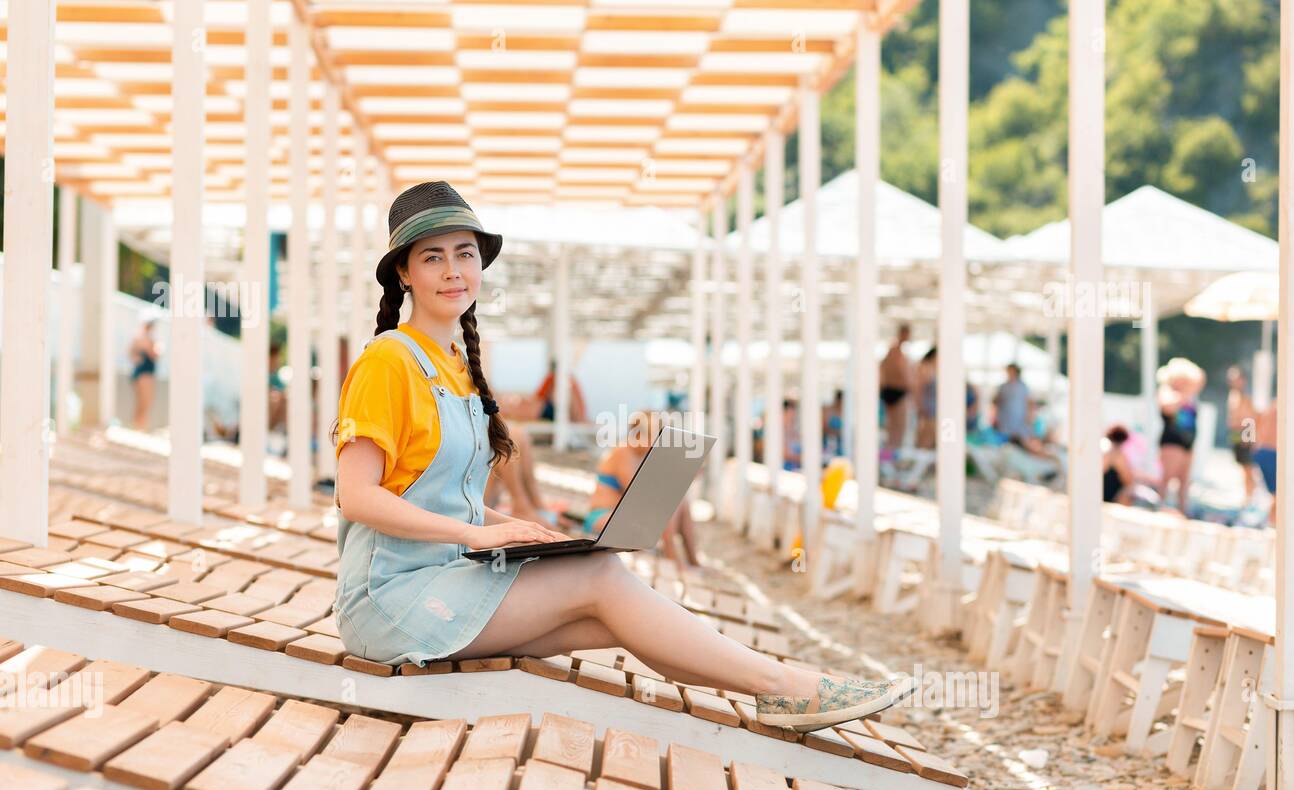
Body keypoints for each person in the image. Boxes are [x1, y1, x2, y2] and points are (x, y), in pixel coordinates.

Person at [331, 181, 913, 731]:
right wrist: (483, 539)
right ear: (404, 272)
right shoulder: (388, 361)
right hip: (390, 602)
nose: (454, 270)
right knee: (603, 578)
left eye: (465, 253)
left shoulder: (456, 364)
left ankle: (777, 689)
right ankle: (789, 683)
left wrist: (518, 529)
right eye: (432, 257)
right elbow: (357, 497)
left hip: (442, 580)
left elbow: (438, 499)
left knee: (609, 614)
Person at [584, 409, 699, 566]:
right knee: (669, 500)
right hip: (603, 517)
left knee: (681, 499)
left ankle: (693, 561)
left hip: (622, 519)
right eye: (654, 434)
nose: (658, 440)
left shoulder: (643, 456)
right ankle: (673, 557)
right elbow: (637, 494)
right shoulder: (623, 452)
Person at [1156, 357, 1205, 515]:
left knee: (1184, 482)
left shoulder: (1190, 394)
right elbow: (1167, 408)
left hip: (1187, 443)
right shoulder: (1167, 391)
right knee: (1167, 478)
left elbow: (1201, 379)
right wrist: (1183, 394)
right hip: (1172, 441)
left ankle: (1183, 511)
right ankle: (1159, 506)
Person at [879, 324, 912, 450]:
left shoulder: (893, 351)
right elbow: (901, 372)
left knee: (893, 428)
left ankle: (890, 455)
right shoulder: (896, 352)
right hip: (896, 391)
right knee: (897, 428)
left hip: (890, 390)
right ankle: (892, 456)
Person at [1226, 366, 1256, 503]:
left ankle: (1250, 496)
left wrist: (1248, 437)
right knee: (1242, 467)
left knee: (1248, 467)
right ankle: (1247, 495)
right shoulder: (1233, 394)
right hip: (1236, 434)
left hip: (1245, 434)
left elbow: (1251, 418)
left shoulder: (1247, 396)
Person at [128, 319, 161, 431]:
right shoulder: (145, 339)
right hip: (144, 373)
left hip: (142, 372)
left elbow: (131, 354)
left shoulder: (139, 338)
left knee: (142, 401)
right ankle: (140, 426)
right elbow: (154, 355)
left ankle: (139, 425)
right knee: (145, 401)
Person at [535, 359, 588, 423]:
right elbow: (538, 398)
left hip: (565, 416)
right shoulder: (550, 379)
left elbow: (579, 416)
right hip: (554, 412)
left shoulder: (568, 382)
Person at [1252, 402, 1277, 525]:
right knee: (1279, 495)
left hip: (1263, 451)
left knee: (1276, 495)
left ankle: (1269, 522)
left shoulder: (1272, 406)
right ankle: (1269, 522)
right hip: (1271, 453)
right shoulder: (1280, 407)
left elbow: (1256, 423)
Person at [993, 363, 1030, 444]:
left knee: (1018, 441)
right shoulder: (1003, 387)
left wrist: (1028, 418)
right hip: (1005, 420)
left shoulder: (1023, 387)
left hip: (1018, 420)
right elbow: (996, 402)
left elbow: (1028, 402)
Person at [1102, 425, 1135, 505]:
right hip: (1113, 500)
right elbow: (1128, 481)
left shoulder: (1105, 455)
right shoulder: (1121, 457)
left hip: (1105, 497)